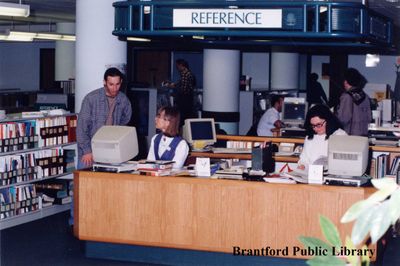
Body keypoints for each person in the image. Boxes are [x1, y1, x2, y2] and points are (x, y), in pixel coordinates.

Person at [77, 67, 132, 169]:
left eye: (117, 84)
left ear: (121, 82)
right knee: (84, 182)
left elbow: (125, 123)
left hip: (112, 152)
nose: (114, 88)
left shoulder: (124, 100)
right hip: (89, 152)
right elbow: (81, 128)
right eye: (111, 84)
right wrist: (87, 151)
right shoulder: (91, 99)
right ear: (104, 82)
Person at [298, 104, 347, 170]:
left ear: (328, 120)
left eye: (319, 124)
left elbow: (343, 163)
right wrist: (302, 165)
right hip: (311, 175)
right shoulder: (310, 136)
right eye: (313, 125)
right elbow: (304, 159)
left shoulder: (340, 135)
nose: (315, 128)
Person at [336, 68, 371, 136]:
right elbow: (369, 118)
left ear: (345, 81)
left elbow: (343, 119)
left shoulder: (347, 96)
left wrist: (335, 115)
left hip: (351, 137)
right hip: (363, 135)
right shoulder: (365, 96)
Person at [164, 59, 196, 124]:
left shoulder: (184, 74)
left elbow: (183, 89)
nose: (177, 68)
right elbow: (182, 84)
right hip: (189, 99)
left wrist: (174, 89)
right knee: (187, 117)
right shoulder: (190, 73)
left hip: (184, 99)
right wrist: (174, 85)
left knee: (182, 117)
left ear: (181, 65)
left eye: (177, 66)